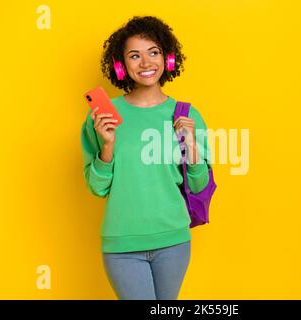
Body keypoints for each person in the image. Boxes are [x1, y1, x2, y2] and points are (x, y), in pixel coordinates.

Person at [80, 15, 213, 300]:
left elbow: (200, 185)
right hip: (122, 244)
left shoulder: (188, 115)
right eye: (134, 56)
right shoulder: (104, 118)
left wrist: (191, 147)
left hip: (173, 240)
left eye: (153, 52)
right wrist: (107, 145)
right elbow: (97, 187)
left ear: (167, 58)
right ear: (121, 65)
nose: (146, 63)